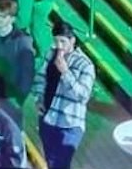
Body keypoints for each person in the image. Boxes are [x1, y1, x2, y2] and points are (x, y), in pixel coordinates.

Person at [37, 23, 95, 169]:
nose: (59, 46)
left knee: (60, 164)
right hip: (47, 118)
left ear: (72, 40)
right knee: (51, 162)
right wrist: (38, 98)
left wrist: (65, 72)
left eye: (63, 41)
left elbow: (83, 96)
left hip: (69, 124)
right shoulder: (50, 54)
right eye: (56, 41)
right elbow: (39, 78)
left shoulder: (85, 64)